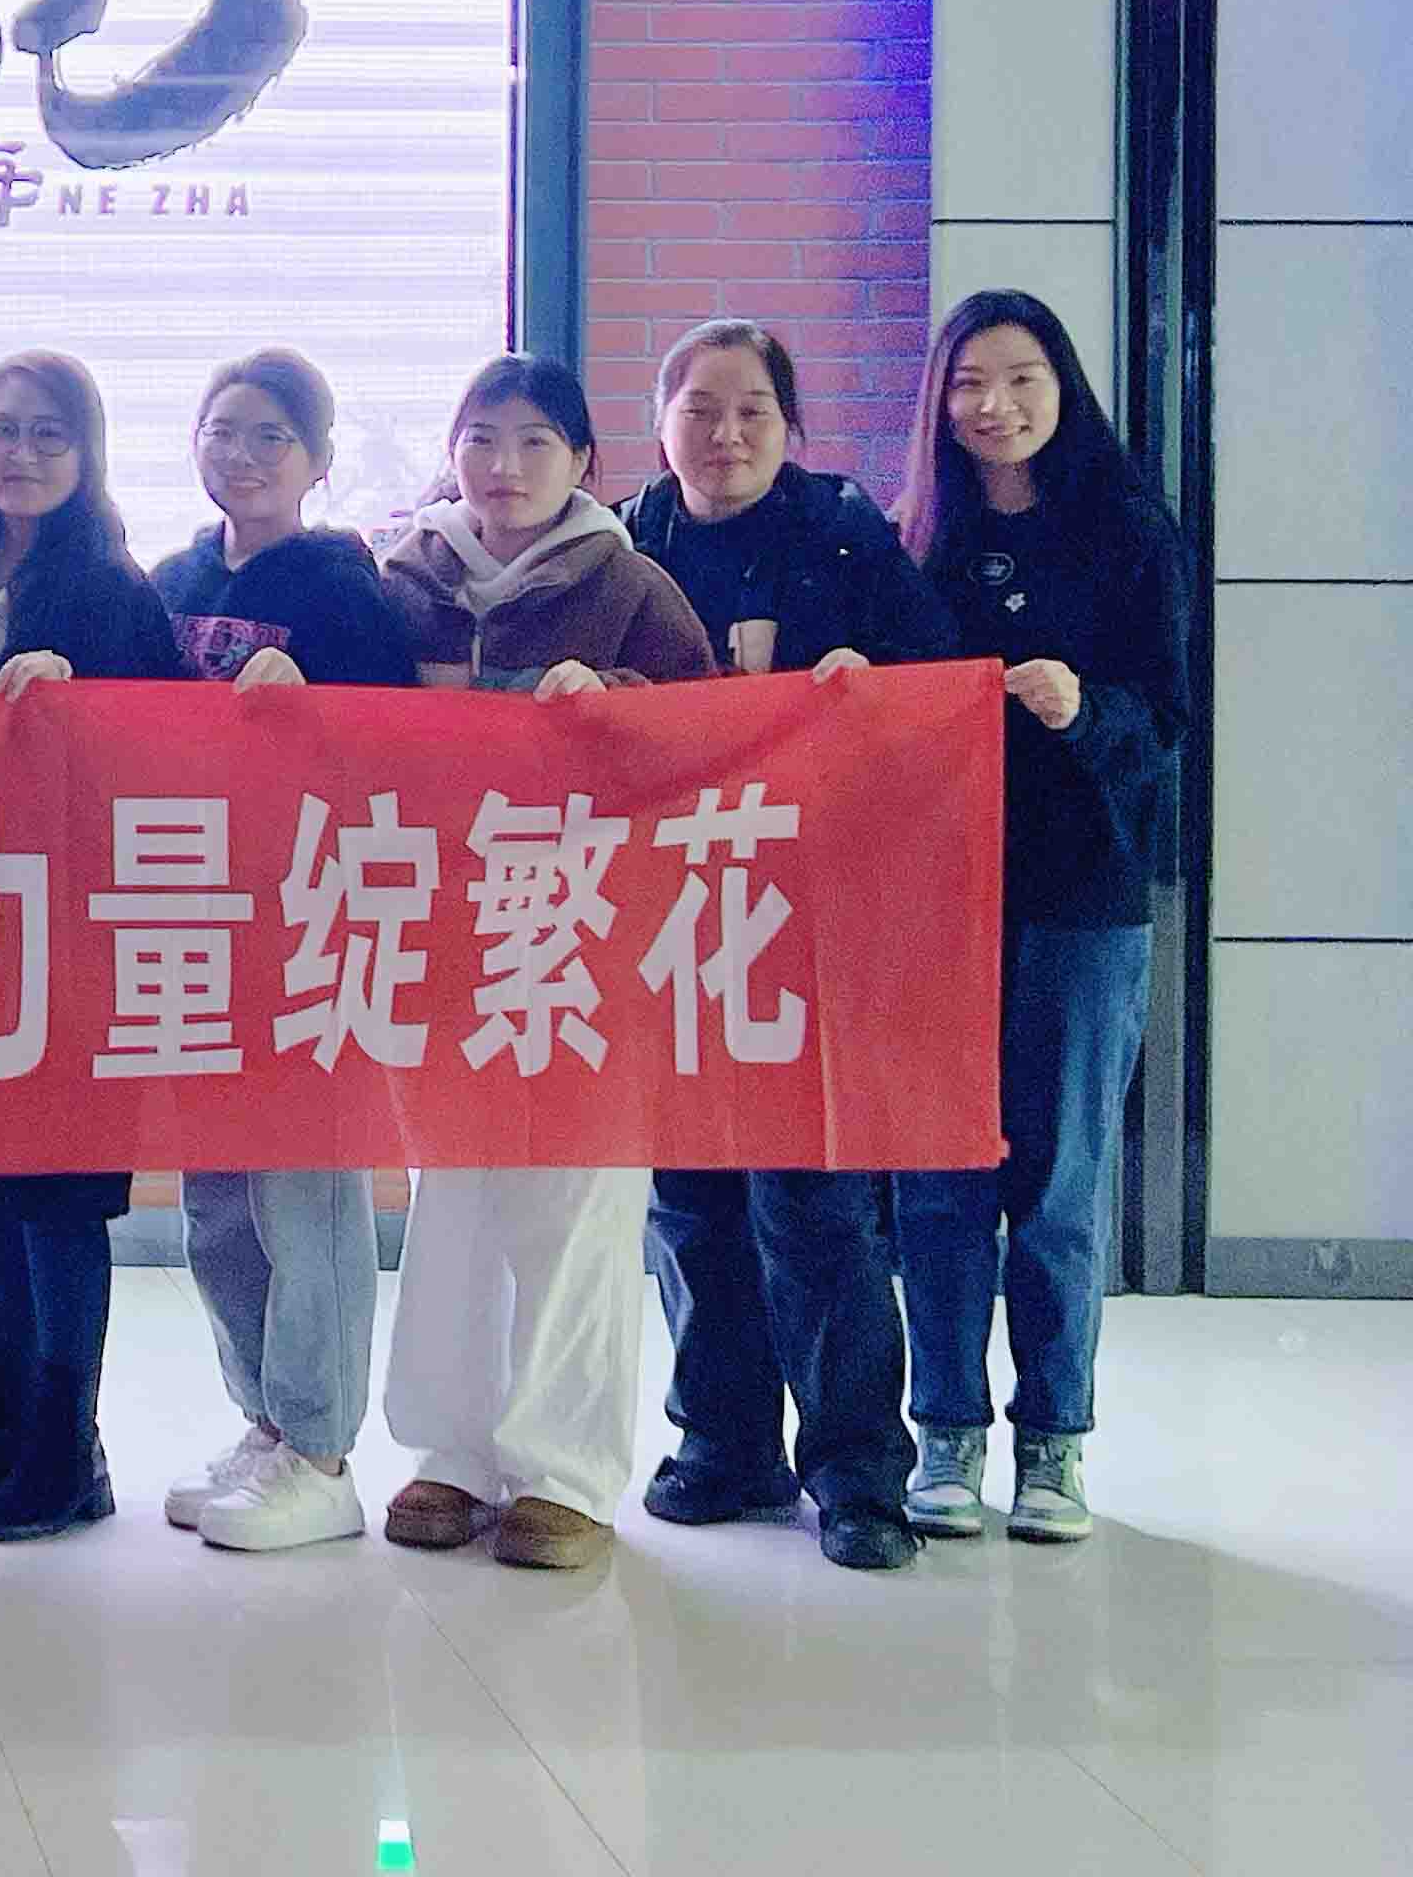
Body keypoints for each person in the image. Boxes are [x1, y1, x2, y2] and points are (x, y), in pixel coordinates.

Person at [622, 320, 959, 1574]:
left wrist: (878, 682)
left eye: (752, 410)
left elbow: (937, 686)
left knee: (814, 1200)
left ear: (791, 425)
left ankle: (859, 1473)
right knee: (692, 1200)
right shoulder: (625, 544)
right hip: (667, 916)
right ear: (660, 422)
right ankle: (724, 1445)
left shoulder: (847, 534)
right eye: (699, 409)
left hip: (814, 912)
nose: (725, 434)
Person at [371, 353, 716, 1572]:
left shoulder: (629, 585)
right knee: (454, 1193)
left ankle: (564, 1470)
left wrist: (614, 695)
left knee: (577, 1193)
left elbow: (704, 740)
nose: (503, 466)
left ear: (583, 461)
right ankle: (453, 1453)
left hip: (584, 931)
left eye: (533, 442)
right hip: (442, 929)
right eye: (481, 438)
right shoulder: (402, 580)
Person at [890, 291, 1188, 1548]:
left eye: (1020, 378)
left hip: (1082, 898)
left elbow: (1169, 723)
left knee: (1059, 1188)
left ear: (1063, 386)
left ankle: (1055, 1443)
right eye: (967, 384)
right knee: (939, 1183)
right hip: (934, 906)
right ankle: (947, 1435)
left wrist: (1086, 709)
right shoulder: (914, 541)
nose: (993, 406)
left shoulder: (1128, 531)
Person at [0, 352, 194, 1547]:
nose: (19, 454)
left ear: (87, 454)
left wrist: (82, 694)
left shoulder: (111, 587)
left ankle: (70, 1451)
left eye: (47, 434)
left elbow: (165, 746)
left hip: (76, 931)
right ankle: (8, 1425)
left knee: (60, 1192)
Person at [147, 348, 424, 1554]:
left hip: (312, 917)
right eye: (225, 430)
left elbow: (397, 750)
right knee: (218, 1196)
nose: (244, 455)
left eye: (272, 436)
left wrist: (313, 700)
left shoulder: (350, 590)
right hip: (194, 918)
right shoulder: (168, 581)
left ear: (317, 460)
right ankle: (262, 1421)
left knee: (306, 1188)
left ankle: (322, 1449)